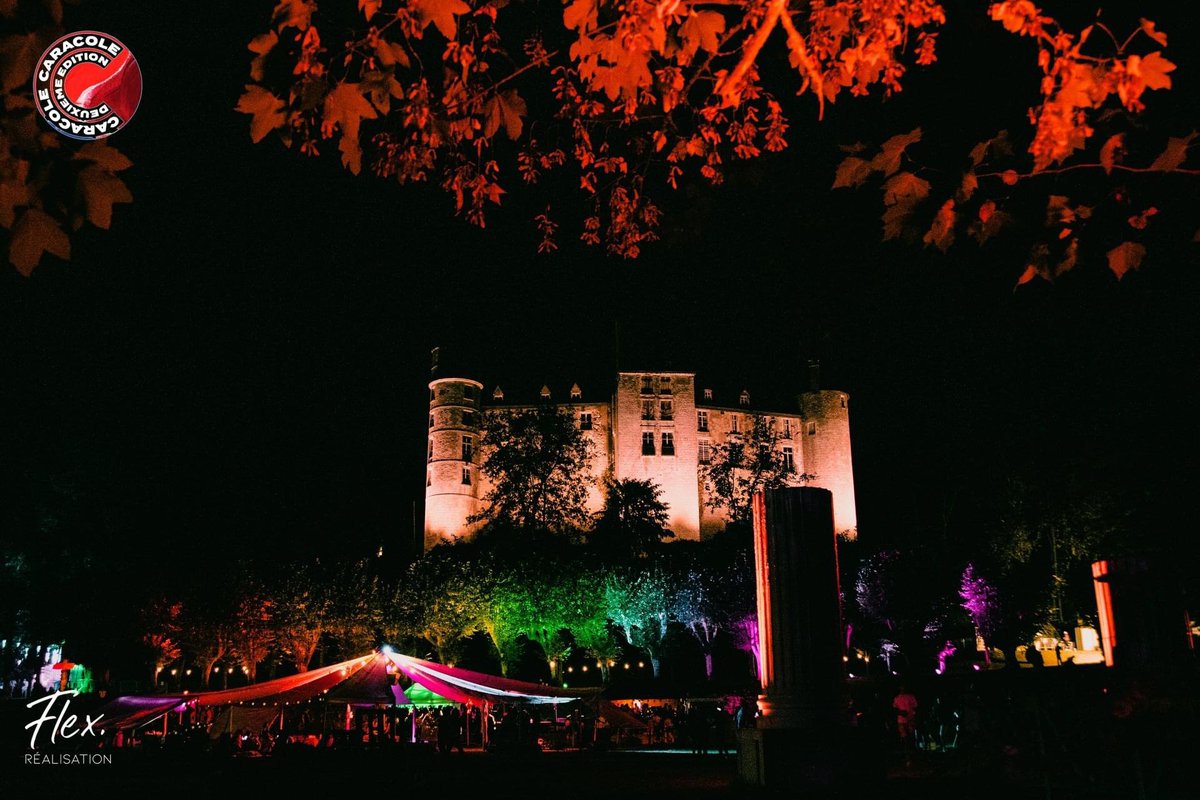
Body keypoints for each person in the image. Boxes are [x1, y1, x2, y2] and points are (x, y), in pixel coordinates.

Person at [892, 684, 918, 765]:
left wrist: (910, 714)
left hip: (910, 720)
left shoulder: (910, 697)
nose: (902, 689)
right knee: (905, 739)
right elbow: (894, 709)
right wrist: (901, 712)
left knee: (911, 738)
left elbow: (915, 707)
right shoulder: (897, 698)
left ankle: (911, 756)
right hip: (901, 720)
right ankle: (908, 757)